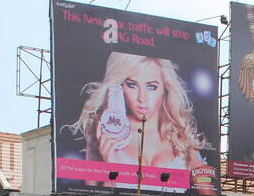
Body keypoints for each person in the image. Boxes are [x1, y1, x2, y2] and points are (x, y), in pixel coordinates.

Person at [68, 52, 210, 172]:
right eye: (132, 85)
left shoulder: (181, 136)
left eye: (151, 87)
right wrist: (109, 164)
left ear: (165, 89)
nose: (142, 98)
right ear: (120, 86)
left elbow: (208, 195)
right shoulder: (105, 133)